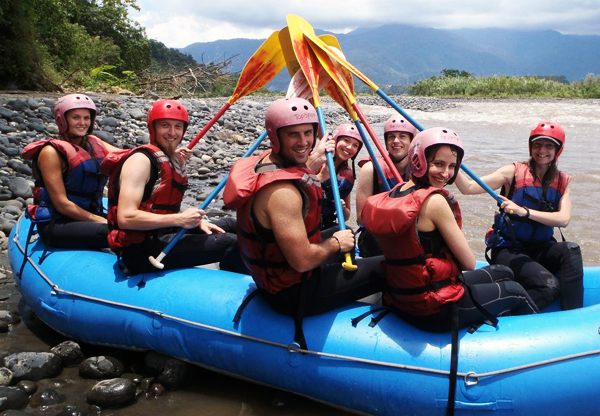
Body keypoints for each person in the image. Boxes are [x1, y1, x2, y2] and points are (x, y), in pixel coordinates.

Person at [223, 97, 383, 348]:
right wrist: (334, 245)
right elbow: (302, 261)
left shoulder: (265, 162)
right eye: (293, 135)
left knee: (343, 231)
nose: (303, 142)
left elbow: (302, 173)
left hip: (280, 274)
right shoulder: (282, 193)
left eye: (308, 133)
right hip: (292, 293)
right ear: (276, 137)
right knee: (384, 265)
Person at [361, 127, 538, 332]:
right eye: (438, 164)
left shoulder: (394, 192)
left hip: (403, 296)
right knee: (514, 290)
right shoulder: (434, 201)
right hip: (433, 309)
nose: (446, 173)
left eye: (452, 166)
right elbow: (469, 263)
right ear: (419, 161)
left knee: (503, 271)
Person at [101, 99, 244, 275]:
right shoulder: (140, 161)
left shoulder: (170, 157)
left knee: (232, 224)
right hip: (141, 249)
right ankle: (245, 291)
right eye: (165, 125)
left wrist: (195, 223)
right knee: (230, 243)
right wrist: (180, 219)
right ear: (153, 128)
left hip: (162, 234)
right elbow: (126, 218)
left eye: (178, 126)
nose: (172, 132)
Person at [454, 121, 583, 311]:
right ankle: (506, 319)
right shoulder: (512, 172)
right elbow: (469, 188)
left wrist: (525, 212)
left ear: (558, 150)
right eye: (537, 144)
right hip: (509, 250)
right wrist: (451, 162)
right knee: (549, 286)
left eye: (549, 145)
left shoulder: (563, 181)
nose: (542, 150)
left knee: (571, 249)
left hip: (541, 248)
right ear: (530, 147)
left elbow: (563, 219)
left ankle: (574, 316)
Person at [22, 93, 120, 250]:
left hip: (87, 217)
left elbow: (126, 157)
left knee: (134, 228)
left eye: (86, 118)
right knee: (118, 233)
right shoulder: (51, 153)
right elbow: (61, 204)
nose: (82, 123)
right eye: (76, 118)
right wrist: (100, 220)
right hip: (58, 223)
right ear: (62, 120)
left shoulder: (94, 143)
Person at [355, 115, 417, 257]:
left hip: (408, 235)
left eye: (402, 136)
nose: (396, 141)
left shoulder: (419, 170)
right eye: (391, 137)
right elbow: (361, 217)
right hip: (377, 235)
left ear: (411, 141)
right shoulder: (371, 168)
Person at [316, 123, 363, 230]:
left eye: (355, 145)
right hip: (305, 222)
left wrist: (343, 208)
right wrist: (321, 176)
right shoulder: (316, 162)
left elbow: (346, 216)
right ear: (335, 141)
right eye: (346, 140)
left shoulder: (348, 175)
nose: (350, 147)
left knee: (348, 233)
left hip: (326, 224)